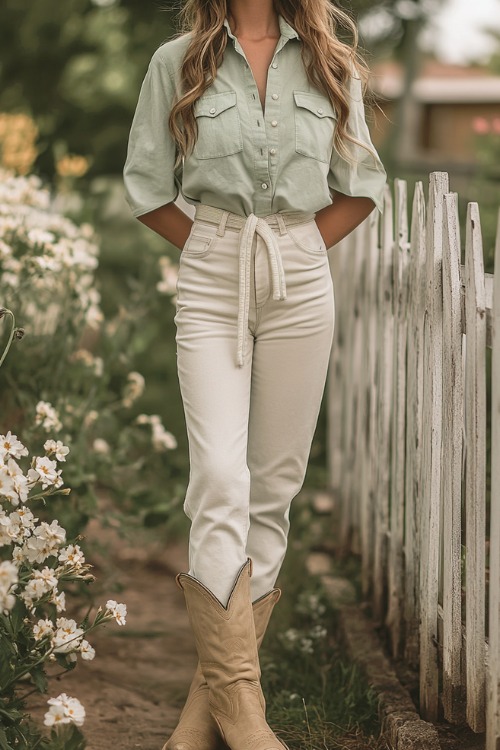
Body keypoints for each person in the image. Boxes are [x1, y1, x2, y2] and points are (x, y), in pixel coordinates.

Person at [123, 0, 387, 747]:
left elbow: (362, 182)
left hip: (300, 273)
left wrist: (297, 250)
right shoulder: (176, 62)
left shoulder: (328, 58)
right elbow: (146, 184)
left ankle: (205, 717)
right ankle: (244, 711)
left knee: (273, 487)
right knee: (218, 477)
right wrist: (213, 245)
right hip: (211, 273)